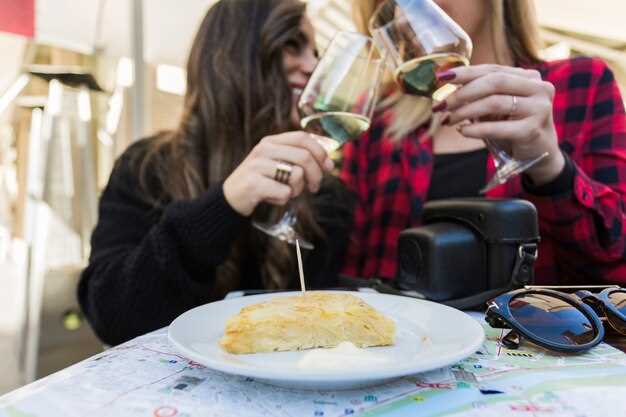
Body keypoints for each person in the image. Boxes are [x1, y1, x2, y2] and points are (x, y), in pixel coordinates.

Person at [79, 0, 354, 346]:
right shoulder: (147, 168)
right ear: (232, 57)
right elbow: (111, 317)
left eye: (315, 52)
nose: (314, 65)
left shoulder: (323, 191)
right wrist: (224, 207)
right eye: (291, 45)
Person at [341, 0, 626, 284]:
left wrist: (552, 169)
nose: (405, 14)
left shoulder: (581, 84)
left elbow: (615, 270)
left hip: (530, 328)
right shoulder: (376, 121)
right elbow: (351, 273)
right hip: (409, 329)